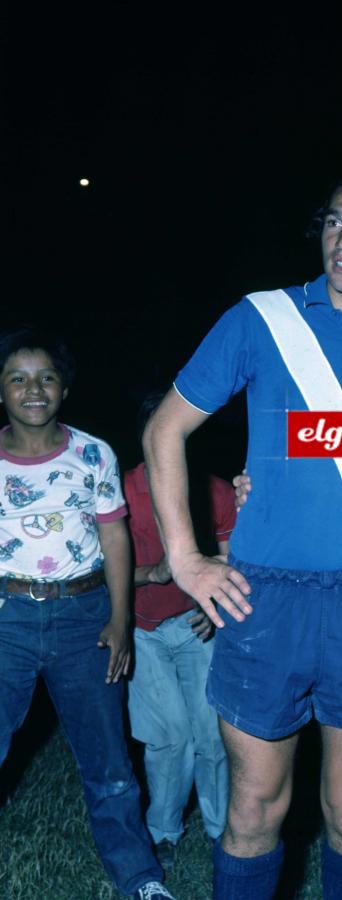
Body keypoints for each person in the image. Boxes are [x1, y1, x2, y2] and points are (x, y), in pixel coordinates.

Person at [142, 174, 342, 899]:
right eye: (333, 222)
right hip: (263, 596)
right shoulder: (261, 317)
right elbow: (166, 432)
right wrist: (187, 560)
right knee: (253, 808)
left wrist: (331, 502)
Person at [0, 327, 173, 900]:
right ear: (1, 390)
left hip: (84, 619)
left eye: (46, 377)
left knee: (110, 764)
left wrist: (120, 621)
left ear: (64, 388)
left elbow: (114, 538)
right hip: (8, 621)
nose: (33, 389)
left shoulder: (92, 453)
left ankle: (139, 878)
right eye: (18, 378)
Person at [125, 391, 233, 870]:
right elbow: (94, 572)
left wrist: (215, 610)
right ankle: (163, 831)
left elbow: (233, 560)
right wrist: (151, 574)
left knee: (213, 734)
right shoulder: (120, 491)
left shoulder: (214, 490)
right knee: (168, 735)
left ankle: (221, 829)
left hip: (197, 628)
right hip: (142, 630)